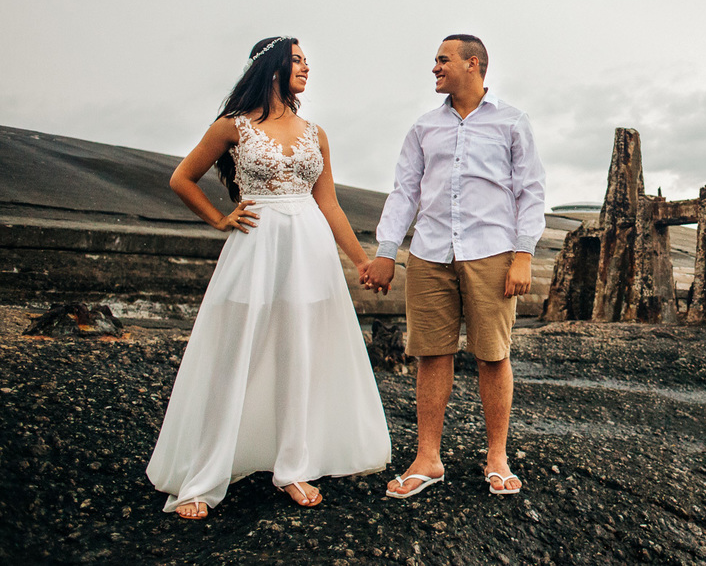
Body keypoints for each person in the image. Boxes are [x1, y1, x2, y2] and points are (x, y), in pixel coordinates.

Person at [147, 36, 391, 519]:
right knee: (233, 354)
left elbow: (329, 204)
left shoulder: (315, 133)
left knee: (299, 353)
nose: (306, 67)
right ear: (273, 67)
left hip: (309, 250)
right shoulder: (232, 126)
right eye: (297, 59)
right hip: (255, 249)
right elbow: (181, 178)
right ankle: (204, 475)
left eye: (306, 61)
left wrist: (360, 260)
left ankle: (293, 467)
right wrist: (220, 220)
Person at [363, 34, 545, 498]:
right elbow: (405, 191)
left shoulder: (512, 122)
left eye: (443, 60)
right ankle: (428, 459)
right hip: (430, 253)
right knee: (431, 353)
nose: (435, 68)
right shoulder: (424, 127)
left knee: (492, 354)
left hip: (492, 252)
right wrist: (386, 250)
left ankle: (497, 457)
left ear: (473, 64)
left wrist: (523, 253)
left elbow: (530, 191)